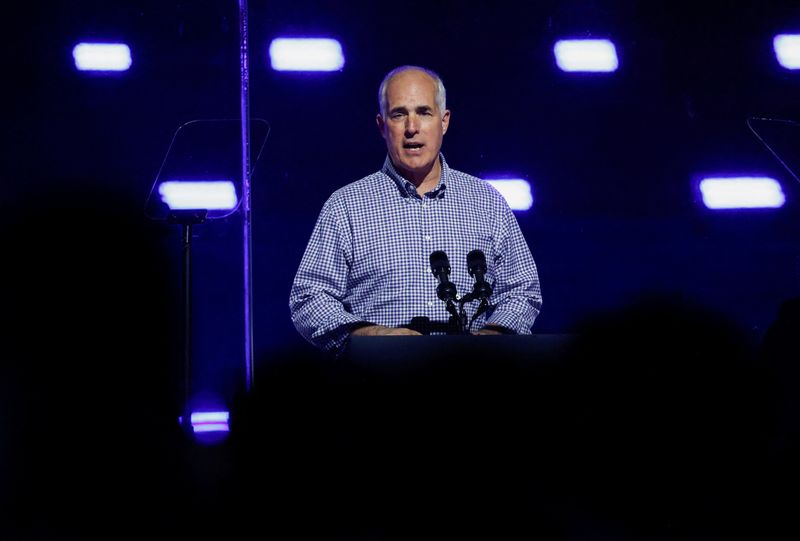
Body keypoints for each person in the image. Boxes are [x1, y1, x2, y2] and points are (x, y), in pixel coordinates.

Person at [289, 65, 542, 353]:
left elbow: (523, 290)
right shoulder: (345, 206)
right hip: (377, 380)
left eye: (424, 112)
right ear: (382, 125)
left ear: (444, 121)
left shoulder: (486, 202)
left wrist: (490, 338)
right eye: (399, 114)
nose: (412, 128)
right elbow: (308, 298)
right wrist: (368, 335)